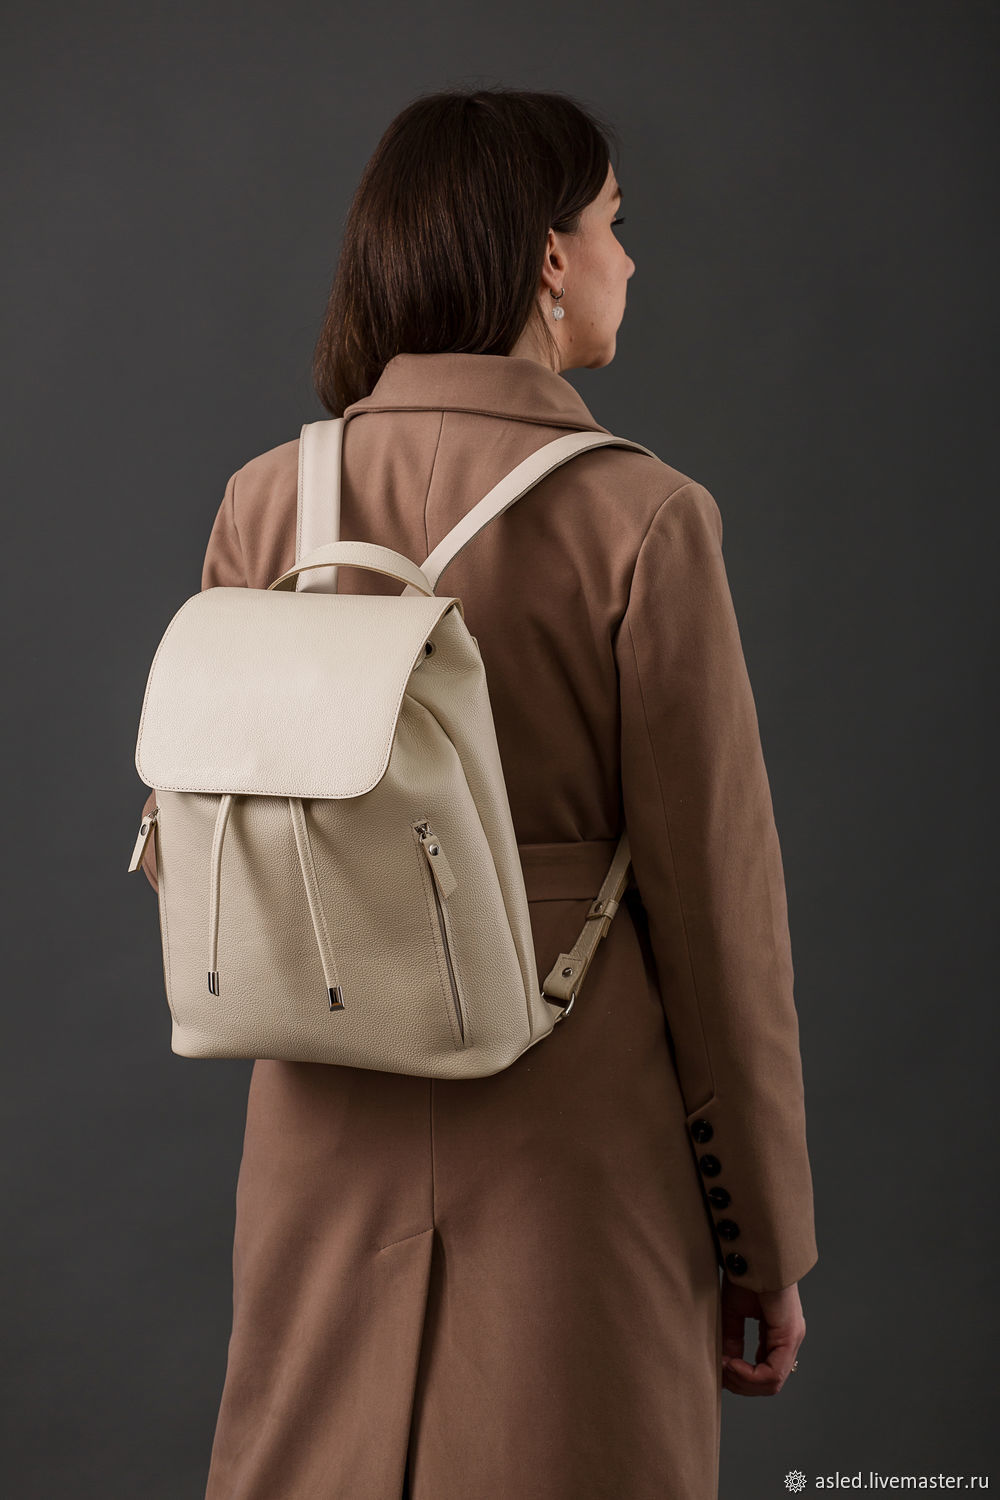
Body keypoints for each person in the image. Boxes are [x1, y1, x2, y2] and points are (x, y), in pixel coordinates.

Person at [137, 86, 817, 1500]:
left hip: (321, 1135)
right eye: (616, 222)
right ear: (553, 258)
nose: (631, 257)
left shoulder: (268, 503)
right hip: (577, 1153)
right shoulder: (644, 518)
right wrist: (763, 1244)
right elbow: (719, 927)